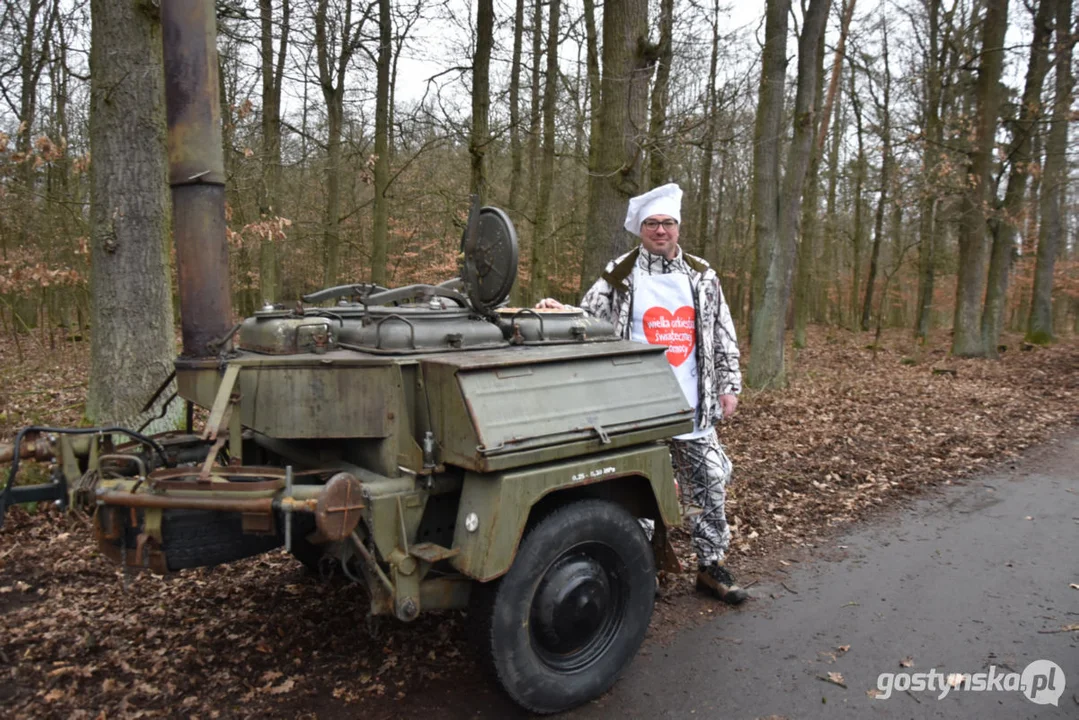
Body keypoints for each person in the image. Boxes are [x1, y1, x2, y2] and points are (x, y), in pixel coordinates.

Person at [536, 183, 747, 604]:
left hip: (693, 404)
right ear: (640, 229)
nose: (661, 230)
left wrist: (729, 385)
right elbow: (589, 317)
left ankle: (710, 565)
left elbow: (722, 333)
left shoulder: (702, 276)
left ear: (678, 227)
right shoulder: (620, 273)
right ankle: (640, 570)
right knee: (639, 489)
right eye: (652, 223)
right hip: (635, 408)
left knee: (708, 482)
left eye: (668, 223)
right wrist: (561, 312)